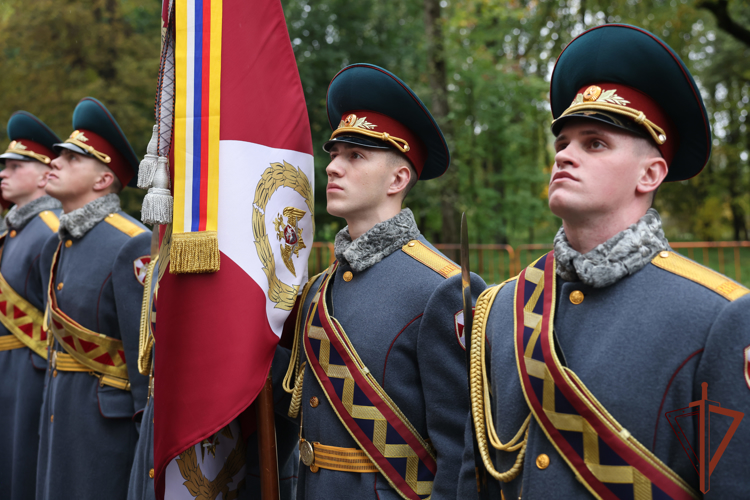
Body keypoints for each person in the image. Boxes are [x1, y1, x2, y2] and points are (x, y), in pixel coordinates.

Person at [460, 24, 750, 499]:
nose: (566, 156)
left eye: (594, 143)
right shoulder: (502, 308)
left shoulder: (718, 317)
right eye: (563, 143)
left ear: (650, 173)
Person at [280, 63, 485, 500]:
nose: (333, 167)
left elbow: (462, 451)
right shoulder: (319, 289)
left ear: (398, 178)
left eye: (355, 156)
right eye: (334, 154)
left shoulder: (443, 288)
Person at [36, 97, 152, 500]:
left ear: (103, 180)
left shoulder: (130, 242)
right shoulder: (59, 242)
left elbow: (145, 361)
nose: (54, 162)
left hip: (106, 424)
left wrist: (145, 433)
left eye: (71, 158)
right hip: (61, 408)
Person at [0, 111, 62, 500]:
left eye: (15, 165)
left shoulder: (51, 230)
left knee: (24, 472)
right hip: (10, 369)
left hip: (33, 369)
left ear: (44, 175)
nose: (3, 172)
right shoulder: (15, 229)